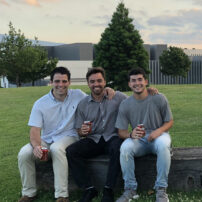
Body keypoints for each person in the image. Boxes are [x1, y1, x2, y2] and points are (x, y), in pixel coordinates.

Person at [17, 67, 114, 202]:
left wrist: (107, 90)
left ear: (69, 82)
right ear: (51, 82)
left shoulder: (78, 95)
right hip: (47, 139)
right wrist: (37, 147)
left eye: (64, 81)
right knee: (24, 153)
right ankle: (29, 193)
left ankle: (62, 195)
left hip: (70, 136)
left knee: (57, 148)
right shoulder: (40, 104)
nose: (60, 85)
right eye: (57, 81)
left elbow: (96, 95)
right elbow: (34, 131)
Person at [66, 67, 127, 202]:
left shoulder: (117, 97)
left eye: (99, 80)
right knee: (71, 151)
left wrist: (150, 91)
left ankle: (108, 189)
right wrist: (82, 131)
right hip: (94, 138)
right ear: (88, 84)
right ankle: (89, 188)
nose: (96, 84)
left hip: (112, 136)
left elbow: (135, 102)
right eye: (92, 81)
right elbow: (79, 131)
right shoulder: (83, 104)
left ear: (105, 81)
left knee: (118, 148)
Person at [115, 68, 173, 202]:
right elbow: (121, 132)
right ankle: (130, 189)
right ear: (129, 84)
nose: (137, 83)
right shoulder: (125, 104)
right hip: (139, 140)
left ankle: (161, 190)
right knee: (125, 148)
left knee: (164, 145)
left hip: (159, 136)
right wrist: (131, 134)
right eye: (133, 80)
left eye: (140, 79)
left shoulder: (159, 97)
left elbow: (169, 121)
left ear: (146, 81)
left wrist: (158, 131)